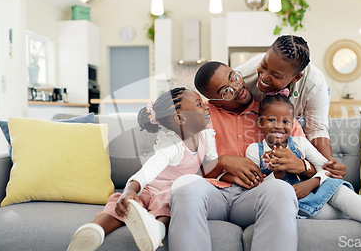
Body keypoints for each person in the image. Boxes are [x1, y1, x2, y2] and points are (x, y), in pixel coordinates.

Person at [168, 62, 312, 251]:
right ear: (212, 100)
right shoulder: (200, 115)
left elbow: (315, 163)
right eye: (225, 91)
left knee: (281, 190)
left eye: (234, 77)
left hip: (254, 197)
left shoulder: (275, 112)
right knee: (184, 186)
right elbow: (186, 169)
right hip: (214, 196)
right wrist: (222, 162)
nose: (237, 88)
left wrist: (302, 165)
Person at [246, 94, 361, 250]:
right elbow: (255, 190)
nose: (279, 126)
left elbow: (326, 170)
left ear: (293, 123)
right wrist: (278, 175)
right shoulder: (254, 151)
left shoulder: (300, 143)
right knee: (321, 213)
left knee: (334, 186)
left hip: (314, 190)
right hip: (294, 204)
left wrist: (311, 183)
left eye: (286, 121)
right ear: (260, 122)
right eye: (272, 120)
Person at [67, 87, 218, 251]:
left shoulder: (207, 137)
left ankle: (154, 230)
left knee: (168, 202)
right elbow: (150, 169)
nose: (206, 107)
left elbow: (213, 167)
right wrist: (129, 190)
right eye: (199, 104)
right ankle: (95, 230)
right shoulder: (172, 144)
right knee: (121, 202)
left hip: (172, 192)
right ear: (180, 118)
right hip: (150, 187)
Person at [236, 35, 337, 169]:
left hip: (305, 102)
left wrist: (329, 164)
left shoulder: (314, 84)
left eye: (276, 75)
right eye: (263, 65)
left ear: (296, 78)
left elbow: (316, 129)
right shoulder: (243, 77)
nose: (264, 77)